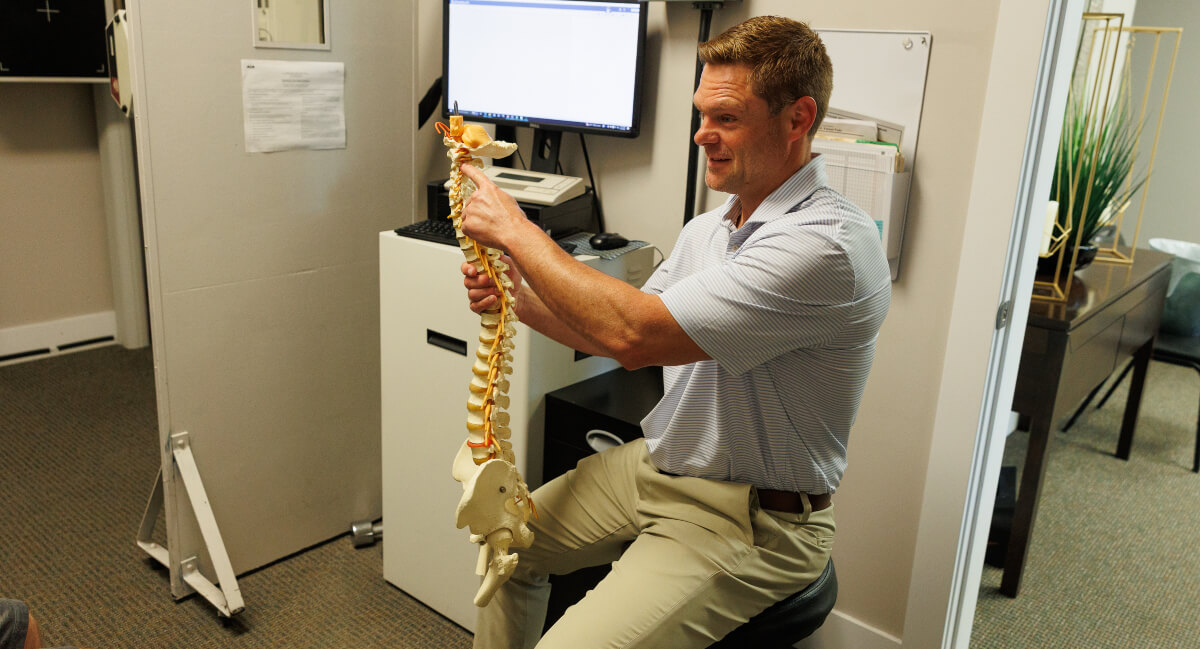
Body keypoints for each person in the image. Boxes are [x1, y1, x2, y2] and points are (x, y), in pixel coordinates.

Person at [457, 15, 891, 649]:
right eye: (700, 114)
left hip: (752, 517)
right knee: (506, 548)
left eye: (727, 118)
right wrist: (518, 300)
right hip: (660, 466)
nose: (701, 135)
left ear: (798, 119)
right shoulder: (711, 228)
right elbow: (627, 343)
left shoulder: (826, 247)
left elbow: (634, 333)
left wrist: (517, 231)